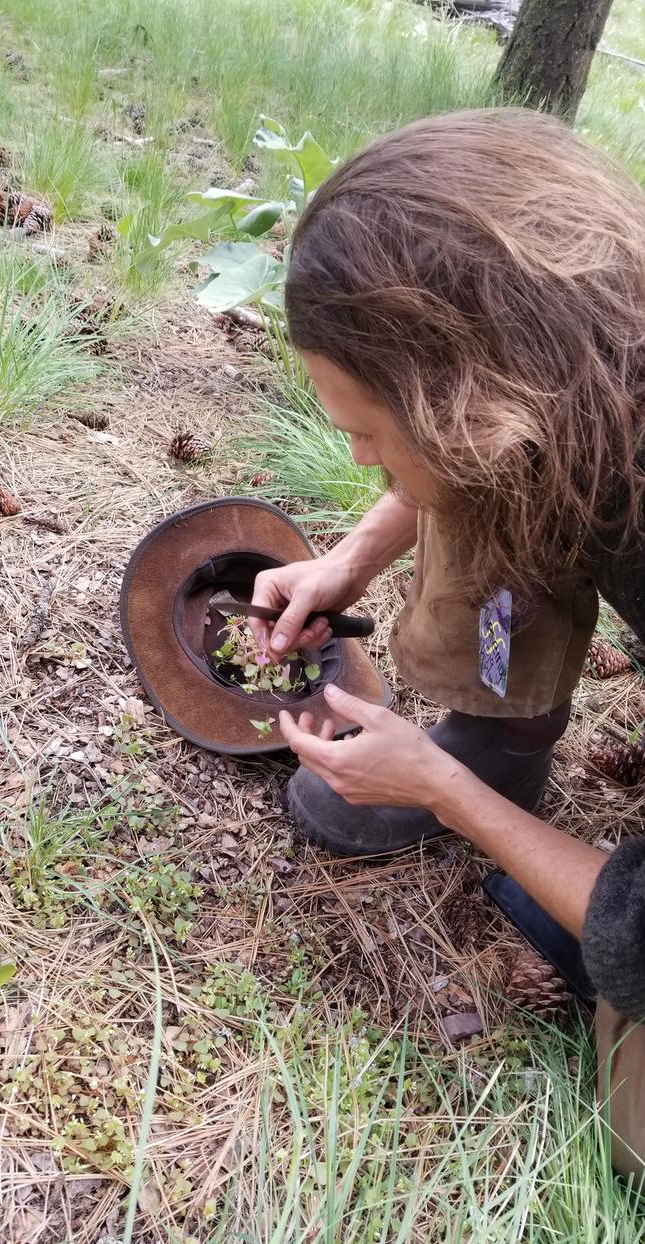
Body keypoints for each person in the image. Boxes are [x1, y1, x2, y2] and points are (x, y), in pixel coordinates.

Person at [249, 108, 645, 1173]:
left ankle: (485, 774)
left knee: (638, 1120)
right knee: (501, 484)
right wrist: (352, 559)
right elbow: (467, 454)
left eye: (369, 436)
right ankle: (503, 730)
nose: (367, 463)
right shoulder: (590, 366)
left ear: (459, 397)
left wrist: (437, 787)